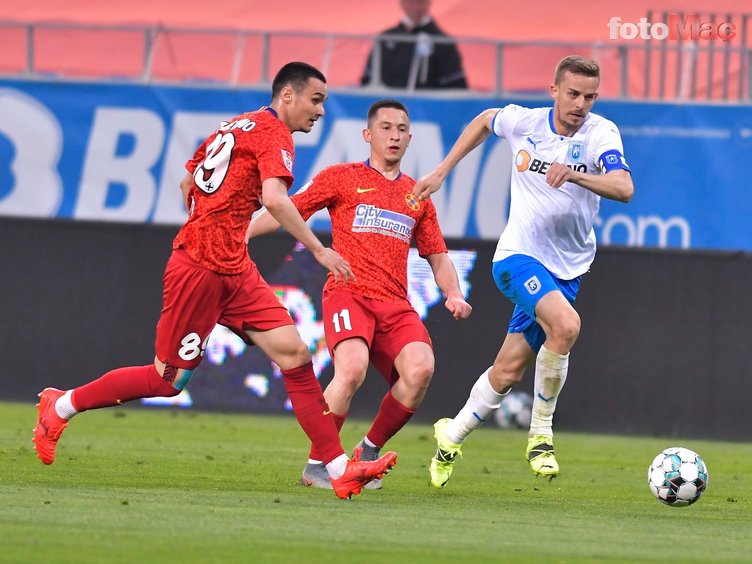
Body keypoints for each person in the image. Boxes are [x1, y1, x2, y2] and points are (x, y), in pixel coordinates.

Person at [32, 62, 398, 501]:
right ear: (287, 96)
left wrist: (204, 201)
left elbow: (191, 171)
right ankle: (62, 404)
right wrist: (318, 250)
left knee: (296, 355)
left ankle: (337, 468)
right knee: (167, 380)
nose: (320, 111)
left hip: (235, 268)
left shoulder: (239, 123)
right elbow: (276, 200)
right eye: (315, 100)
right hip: (200, 269)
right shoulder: (274, 134)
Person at [413, 55, 634, 487]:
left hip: (567, 269)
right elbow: (483, 120)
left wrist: (575, 175)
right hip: (517, 257)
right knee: (566, 326)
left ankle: (449, 437)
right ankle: (540, 435)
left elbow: (623, 187)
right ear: (553, 91)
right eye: (572, 94)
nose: (580, 104)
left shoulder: (600, 134)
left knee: (508, 371)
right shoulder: (524, 122)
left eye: (589, 96)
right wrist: (441, 171)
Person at [247, 98, 472, 489]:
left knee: (420, 369)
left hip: (396, 303)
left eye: (401, 129)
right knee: (351, 369)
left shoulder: (416, 195)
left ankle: (368, 451)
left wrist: (453, 293)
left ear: (410, 138)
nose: (394, 136)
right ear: (368, 135)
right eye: (386, 128)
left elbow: (437, 256)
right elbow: (289, 208)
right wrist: (242, 232)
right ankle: (319, 464)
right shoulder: (342, 177)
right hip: (348, 293)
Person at [361, 0, 467, 90]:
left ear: (429, 3)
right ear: (402, 3)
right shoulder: (386, 38)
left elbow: (456, 88)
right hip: (390, 108)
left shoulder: (442, 42)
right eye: (411, 1)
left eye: (421, 2)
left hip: (427, 110)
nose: (417, 7)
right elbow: (368, 80)